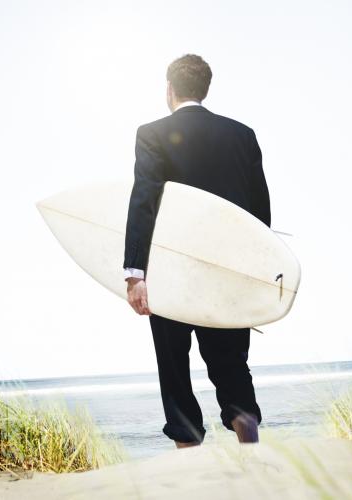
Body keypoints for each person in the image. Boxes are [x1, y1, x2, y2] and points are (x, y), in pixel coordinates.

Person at [123, 54, 271, 448]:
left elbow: (144, 203)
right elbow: (260, 213)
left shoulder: (152, 134)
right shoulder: (242, 135)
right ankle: (250, 451)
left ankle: (188, 460)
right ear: (206, 89)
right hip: (228, 274)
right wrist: (257, 275)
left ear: (169, 89)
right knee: (231, 364)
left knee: (174, 367)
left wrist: (135, 272)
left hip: (172, 272)